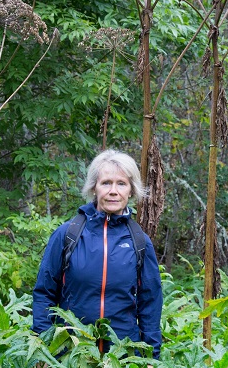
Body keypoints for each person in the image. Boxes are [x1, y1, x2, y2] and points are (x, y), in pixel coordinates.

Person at [32, 150, 163, 357]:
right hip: (71, 356)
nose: (113, 191)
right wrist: (43, 346)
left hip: (123, 359)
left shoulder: (139, 241)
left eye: (121, 183)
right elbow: (44, 293)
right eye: (106, 183)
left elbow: (151, 302)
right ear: (94, 187)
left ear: (131, 190)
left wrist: (151, 355)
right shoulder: (67, 234)